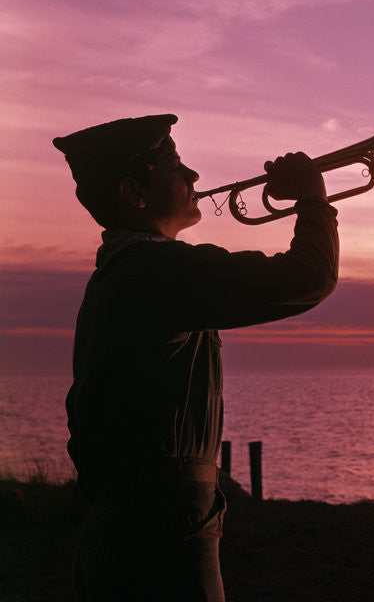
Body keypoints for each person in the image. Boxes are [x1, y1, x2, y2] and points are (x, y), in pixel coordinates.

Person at [54, 114, 339, 601]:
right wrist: (314, 199)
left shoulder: (132, 271)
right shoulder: (152, 270)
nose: (194, 178)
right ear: (134, 192)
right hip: (158, 535)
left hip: (143, 527)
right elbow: (309, 277)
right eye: (174, 167)